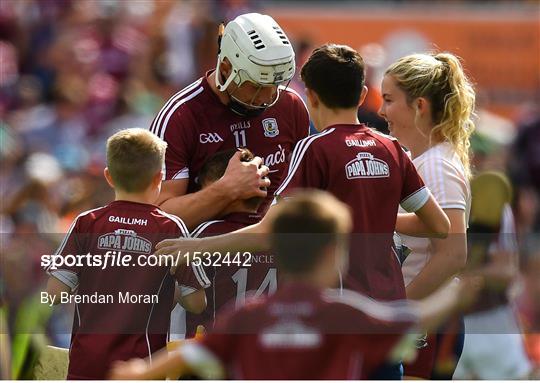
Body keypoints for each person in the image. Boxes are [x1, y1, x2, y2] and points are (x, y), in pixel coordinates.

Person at [109, 190, 480, 380]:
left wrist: (141, 372)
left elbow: (192, 355)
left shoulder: (247, 315)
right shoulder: (343, 314)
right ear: (335, 252)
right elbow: (413, 319)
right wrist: (459, 295)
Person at [44, 128, 208, 379]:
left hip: (85, 366)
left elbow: (54, 294)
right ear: (159, 178)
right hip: (141, 369)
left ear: (109, 176)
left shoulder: (87, 222)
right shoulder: (169, 228)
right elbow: (197, 303)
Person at [150, 13, 310, 229]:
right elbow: (157, 221)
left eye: (275, 83)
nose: (268, 98)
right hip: (202, 256)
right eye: (256, 86)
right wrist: (226, 189)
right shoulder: (180, 116)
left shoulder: (290, 106)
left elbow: (304, 195)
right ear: (226, 68)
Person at [378, 52, 475, 379]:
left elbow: (452, 254)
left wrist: (399, 311)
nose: (380, 111)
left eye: (389, 100)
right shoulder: (420, 160)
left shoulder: (435, 165)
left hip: (427, 325)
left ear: (419, 106)